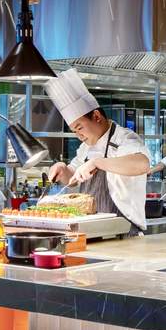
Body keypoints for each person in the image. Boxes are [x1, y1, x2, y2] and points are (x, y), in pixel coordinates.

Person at [44, 69, 151, 232]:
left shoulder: (125, 138)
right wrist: (62, 169)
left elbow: (142, 165)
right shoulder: (86, 147)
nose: (79, 136)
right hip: (91, 230)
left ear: (96, 116)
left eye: (80, 128)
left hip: (124, 232)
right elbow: (73, 177)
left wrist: (97, 162)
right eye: (74, 131)